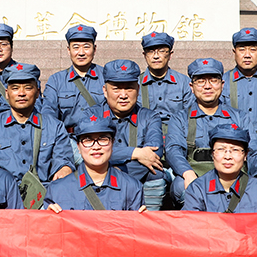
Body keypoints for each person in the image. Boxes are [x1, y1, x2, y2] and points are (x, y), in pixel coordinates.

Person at [166, 58, 257, 207]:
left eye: (213, 80)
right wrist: (187, 172)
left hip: (233, 175)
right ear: (191, 86)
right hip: (197, 175)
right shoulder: (180, 118)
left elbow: (254, 148)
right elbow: (173, 150)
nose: (207, 86)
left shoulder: (239, 117)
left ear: (222, 84)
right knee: (179, 185)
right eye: (201, 81)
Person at [0, 63, 74, 209]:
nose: (21, 93)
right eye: (15, 88)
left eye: (28, 88)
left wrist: (64, 168)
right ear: (7, 93)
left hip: (43, 200)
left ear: (38, 92)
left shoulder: (54, 126)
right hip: (4, 199)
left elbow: (63, 159)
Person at [92, 59, 165, 210]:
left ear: (138, 89)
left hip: (132, 178)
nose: (123, 95)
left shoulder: (150, 117)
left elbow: (154, 153)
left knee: (156, 172)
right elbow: (93, 153)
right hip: (98, 182)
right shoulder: (92, 116)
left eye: (129, 88)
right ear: (105, 90)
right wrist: (135, 153)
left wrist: (114, 169)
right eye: (116, 89)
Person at [45, 112, 145, 212]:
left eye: (103, 139)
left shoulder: (131, 187)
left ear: (112, 143)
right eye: (88, 140)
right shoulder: (58, 189)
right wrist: (48, 218)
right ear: (78, 147)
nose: (96, 147)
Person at [181, 123, 257, 213]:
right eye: (221, 149)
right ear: (212, 154)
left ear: (245, 155)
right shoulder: (197, 189)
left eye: (235, 150)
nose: (228, 156)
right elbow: (191, 223)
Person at [43, 25, 105, 129]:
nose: (81, 53)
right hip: (67, 137)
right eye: (76, 47)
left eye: (86, 47)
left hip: (100, 136)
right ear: (69, 50)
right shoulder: (56, 80)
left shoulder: (106, 77)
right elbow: (49, 113)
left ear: (94, 49)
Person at [137, 31, 191, 125]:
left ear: (170, 55)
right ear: (145, 55)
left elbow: (190, 116)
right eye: (150, 51)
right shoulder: (136, 84)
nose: (156, 56)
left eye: (162, 51)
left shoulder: (184, 83)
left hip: (177, 131)